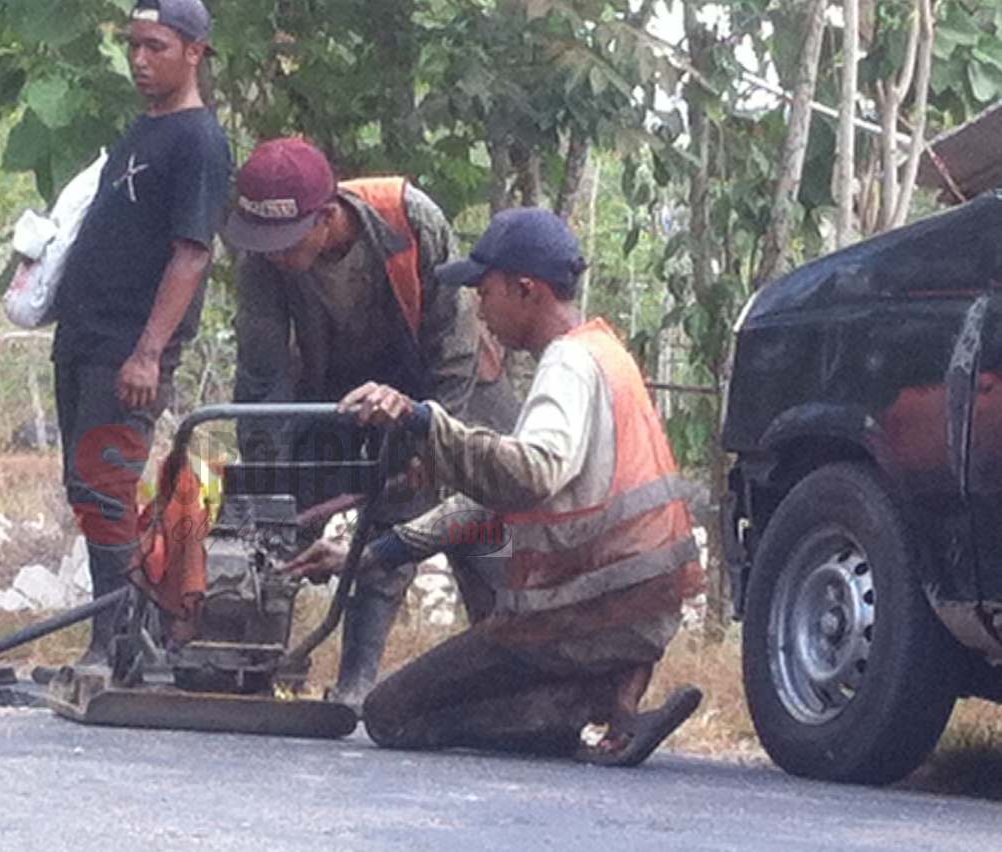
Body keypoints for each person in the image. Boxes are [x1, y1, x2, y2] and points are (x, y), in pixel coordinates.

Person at [280, 207, 704, 766]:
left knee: (390, 715)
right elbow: (485, 505)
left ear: (525, 289)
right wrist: (364, 554)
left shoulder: (568, 364)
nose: (478, 309)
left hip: (581, 614)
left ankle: (562, 712)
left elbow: (530, 474)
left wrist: (424, 423)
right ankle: (607, 696)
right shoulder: (605, 353)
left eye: (485, 291)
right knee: (477, 560)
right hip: (638, 607)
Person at [222, 138, 520, 704]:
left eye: (286, 243)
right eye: (263, 244)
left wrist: (433, 442)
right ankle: (249, 663)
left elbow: (452, 349)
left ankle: (496, 677)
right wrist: (271, 481)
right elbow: (261, 375)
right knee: (268, 519)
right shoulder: (262, 255)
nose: (274, 255)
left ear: (328, 216)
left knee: (476, 523)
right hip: (334, 388)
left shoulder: (409, 219)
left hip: (441, 380)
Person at [50, 0, 232, 664]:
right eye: (133, 45)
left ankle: (117, 645)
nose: (139, 59)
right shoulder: (142, 130)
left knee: (108, 483)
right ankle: (121, 637)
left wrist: (148, 351)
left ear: (194, 51)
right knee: (87, 487)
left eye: (156, 47)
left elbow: (191, 253)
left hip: (128, 348)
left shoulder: (199, 140)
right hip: (85, 337)